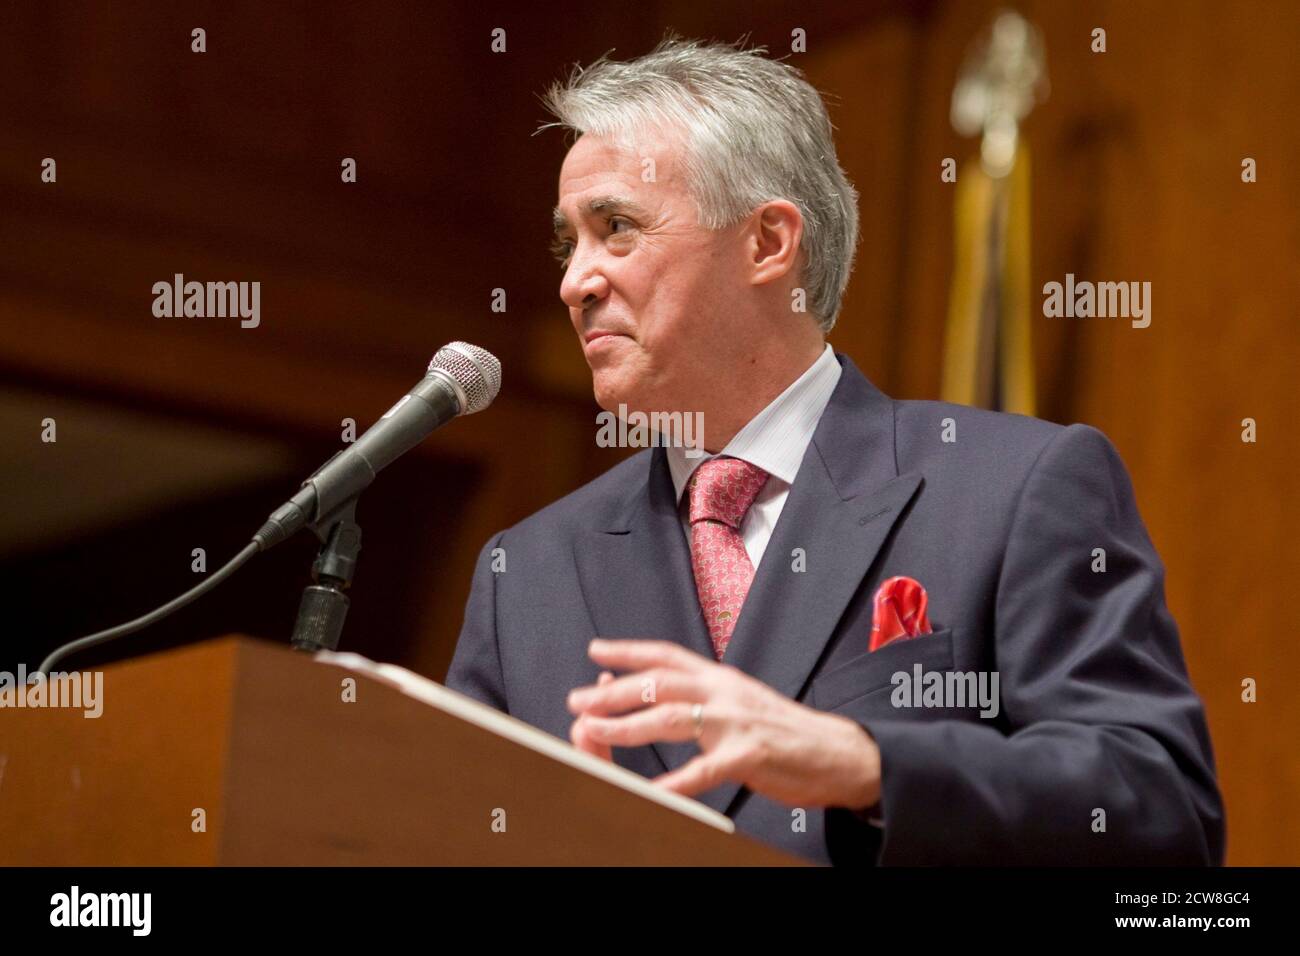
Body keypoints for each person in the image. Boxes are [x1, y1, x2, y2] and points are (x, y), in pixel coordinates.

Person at [447, 37, 1224, 865]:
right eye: (572, 242)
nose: (576, 280)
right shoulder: (523, 576)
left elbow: (1162, 813)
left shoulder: (1015, 490)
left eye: (617, 229)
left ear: (768, 244)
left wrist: (868, 765)